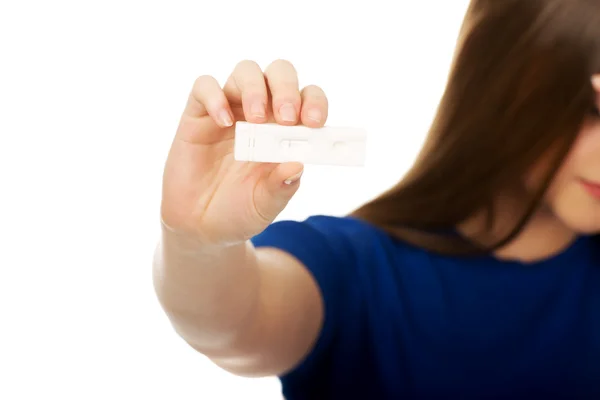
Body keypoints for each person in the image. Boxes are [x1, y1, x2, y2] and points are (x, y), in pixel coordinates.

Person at [152, 0, 600, 398]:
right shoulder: (364, 271)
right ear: (503, 81)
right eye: (596, 109)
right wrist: (196, 244)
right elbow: (237, 326)